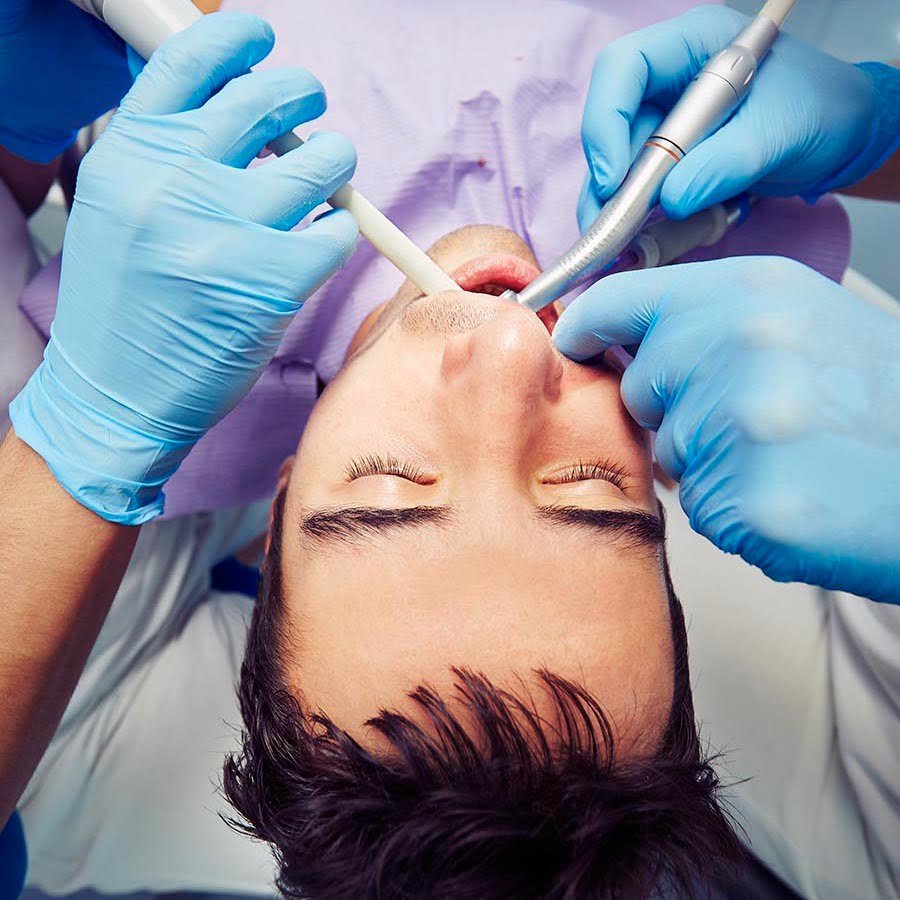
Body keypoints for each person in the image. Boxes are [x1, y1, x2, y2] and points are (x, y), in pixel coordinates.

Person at [1, 4, 897, 900]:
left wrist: (16, 121)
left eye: (389, 487)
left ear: (277, 512)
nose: (508, 352)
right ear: (666, 496)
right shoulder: (753, 312)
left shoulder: (152, 330)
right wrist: (877, 121)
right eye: (591, 490)